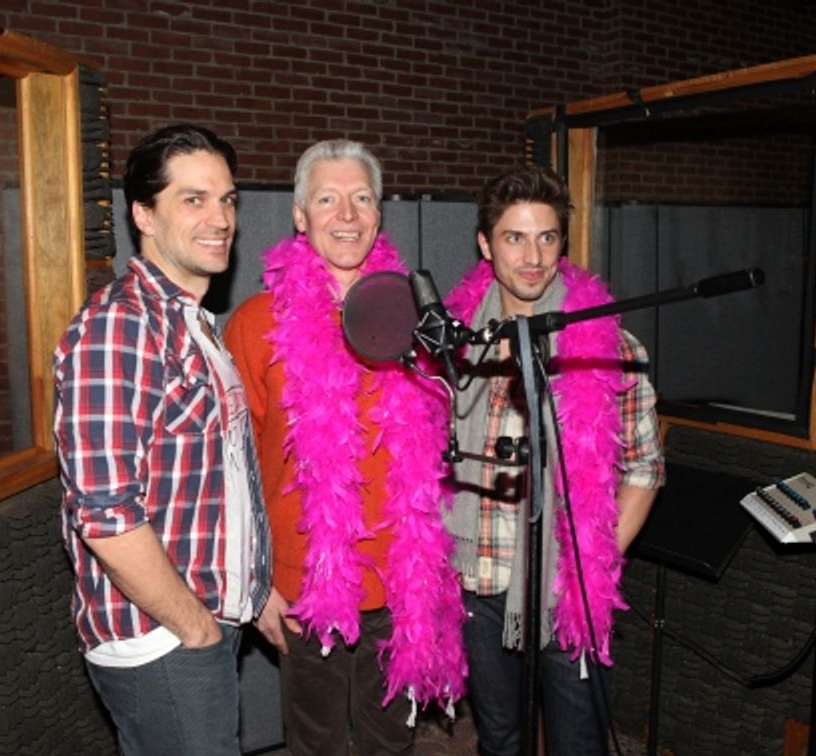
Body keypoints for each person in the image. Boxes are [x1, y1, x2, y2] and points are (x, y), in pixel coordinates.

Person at [223, 139, 466, 756]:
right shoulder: (254, 324)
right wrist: (255, 586)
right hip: (305, 587)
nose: (348, 215)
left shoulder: (421, 319)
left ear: (380, 214)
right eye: (328, 200)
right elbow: (231, 472)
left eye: (362, 198)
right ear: (300, 217)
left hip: (404, 584)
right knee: (315, 746)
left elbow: (448, 444)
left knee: (391, 746)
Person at [54, 124, 271, 756]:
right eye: (193, 199)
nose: (220, 217)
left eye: (227, 199)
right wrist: (194, 626)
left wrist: (251, 595)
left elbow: (220, 482)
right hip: (161, 638)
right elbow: (105, 516)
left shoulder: (191, 323)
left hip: (196, 625)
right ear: (143, 214)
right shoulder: (120, 328)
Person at [442, 164, 664, 756]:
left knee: (578, 743)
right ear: (486, 245)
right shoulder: (454, 342)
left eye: (548, 237)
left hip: (566, 590)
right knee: (501, 737)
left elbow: (644, 469)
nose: (534, 255)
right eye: (515, 237)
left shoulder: (610, 346)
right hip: (478, 583)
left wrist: (588, 566)